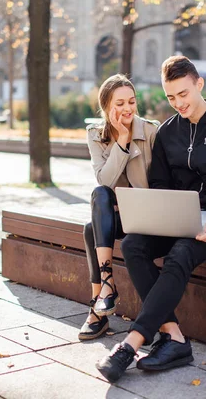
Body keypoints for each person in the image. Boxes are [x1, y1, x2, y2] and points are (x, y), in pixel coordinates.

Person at [96, 56, 206, 382]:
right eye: (171, 97)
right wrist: (157, 215)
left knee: (182, 253)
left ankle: (132, 342)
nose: (178, 103)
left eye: (183, 94)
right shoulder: (168, 132)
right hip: (177, 217)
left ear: (199, 84)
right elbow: (159, 186)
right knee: (134, 245)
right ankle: (175, 338)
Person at [79, 74, 159, 340]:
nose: (127, 109)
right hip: (116, 215)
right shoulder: (96, 135)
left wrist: (129, 136)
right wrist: (121, 140)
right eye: (120, 103)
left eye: (132, 102)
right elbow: (105, 180)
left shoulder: (150, 131)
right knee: (98, 200)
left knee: (93, 228)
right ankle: (107, 287)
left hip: (146, 213)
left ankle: (98, 308)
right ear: (106, 107)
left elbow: (158, 181)